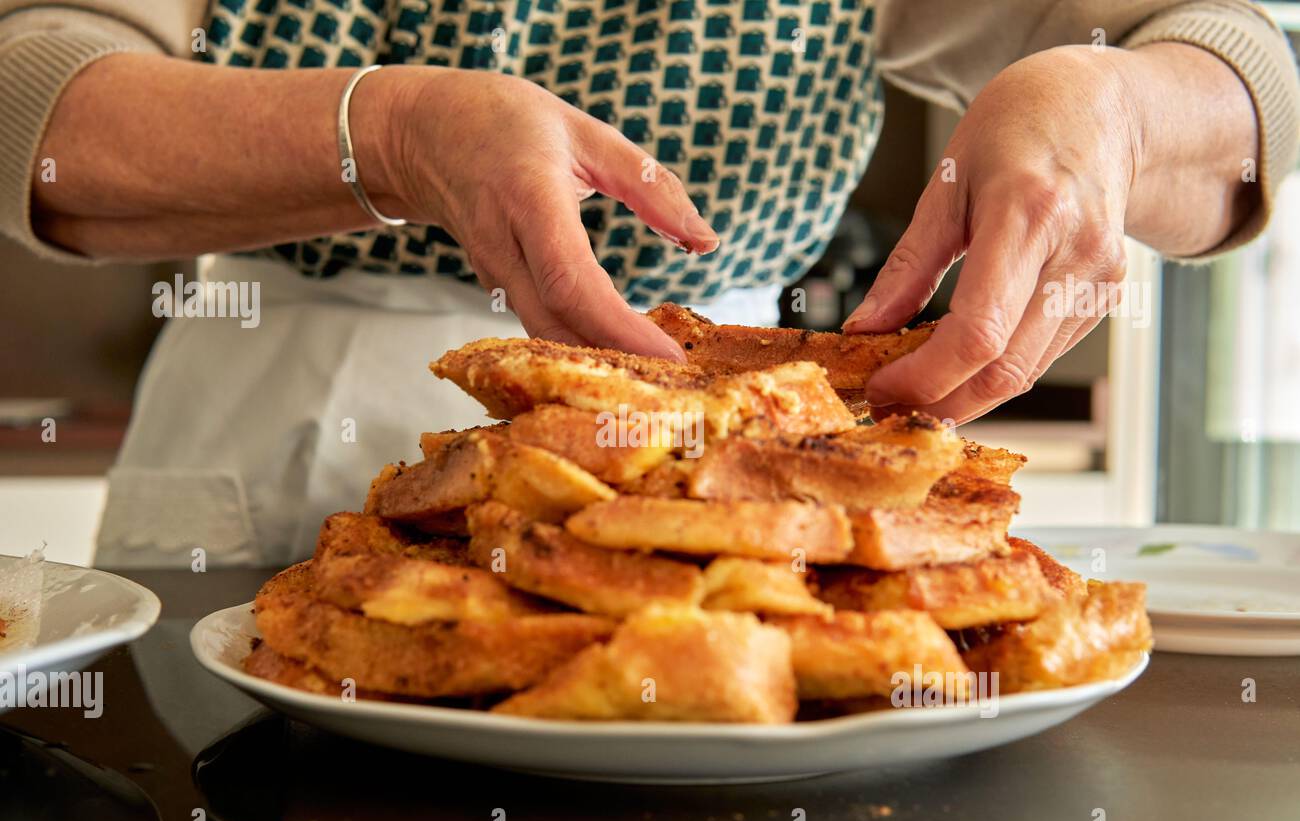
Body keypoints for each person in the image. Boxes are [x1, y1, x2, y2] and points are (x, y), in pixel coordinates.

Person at [1, 0, 1295, 567]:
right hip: (261, 442)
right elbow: (40, 104)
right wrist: (393, 133)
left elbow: (1249, 83)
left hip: (749, 467)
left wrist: (1108, 107)